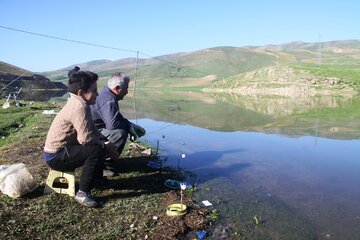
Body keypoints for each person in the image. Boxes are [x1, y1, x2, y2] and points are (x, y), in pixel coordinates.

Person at [43, 70, 118, 208]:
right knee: (95, 149)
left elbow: (91, 128)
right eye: (94, 90)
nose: (97, 94)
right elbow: (85, 139)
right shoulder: (79, 106)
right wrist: (103, 144)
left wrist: (104, 140)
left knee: (100, 143)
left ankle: (97, 180)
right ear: (80, 92)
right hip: (56, 156)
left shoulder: (79, 103)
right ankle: (82, 193)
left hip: (60, 151)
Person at [91, 72, 146, 176]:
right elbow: (113, 125)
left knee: (120, 130)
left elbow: (115, 117)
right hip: (92, 133)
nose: (126, 92)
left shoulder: (107, 95)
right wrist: (128, 128)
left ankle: (102, 161)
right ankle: (101, 165)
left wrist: (129, 124)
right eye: (126, 88)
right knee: (120, 134)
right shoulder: (108, 99)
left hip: (93, 130)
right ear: (117, 88)